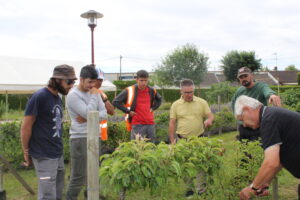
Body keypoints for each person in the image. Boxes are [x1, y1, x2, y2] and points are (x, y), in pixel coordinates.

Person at [20, 64, 77, 200]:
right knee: (47, 196)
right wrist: (25, 151)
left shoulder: (57, 97)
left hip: (57, 153)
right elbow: (26, 127)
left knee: (57, 194)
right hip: (43, 154)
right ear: (57, 80)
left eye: (73, 82)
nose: (71, 85)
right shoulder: (39, 97)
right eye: (69, 81)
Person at [235, 95, 300, 200]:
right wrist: (264, 183)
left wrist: (253, 188)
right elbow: (279, 161)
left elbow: (271, 162)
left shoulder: (268, 120)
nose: (245, 125)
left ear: (246, 109)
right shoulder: (271, 115)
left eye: (242, 119)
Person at [66, 65, 107, 200]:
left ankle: (91, 197)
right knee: (78, 176)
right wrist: (91, 113)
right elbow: (91, 113)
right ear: (81, 79)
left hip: (95, 136)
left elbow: (104, 114)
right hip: (80, 138)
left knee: (94, 173)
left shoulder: (94, 92)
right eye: (89, 82)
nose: (92, 85)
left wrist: (89, 117)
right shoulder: (73, 95)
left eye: (94, 82)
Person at [169, 79, 214, 198]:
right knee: (185, 165)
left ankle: (201, 189)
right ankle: (189, 189)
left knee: (200, 165)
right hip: (182, 140)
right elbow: (172, 123)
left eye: (191, 92)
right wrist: (172, 140)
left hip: (199, 139)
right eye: (186, 92)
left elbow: (210, 115)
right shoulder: (175, 105)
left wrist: (209, 120)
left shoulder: (202, 102)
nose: (189, 95)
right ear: (181, 91)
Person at [231, 66, 281, 141]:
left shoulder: (260, 86)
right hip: (244, 128)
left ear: (251, 75)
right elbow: (234, 105)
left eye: (245, 76)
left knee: (260, 149)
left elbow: (267, 91)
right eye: (241, 77)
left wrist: (272, 95)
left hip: (259, 127)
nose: (243, 79)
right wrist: (240, 120)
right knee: (245, 150)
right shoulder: (239, 91)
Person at [112, 69, 162, 143]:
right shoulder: (129, 90)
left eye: (146, 80)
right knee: (137, 148)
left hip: (150, 123)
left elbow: (159, 99)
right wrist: (128, 111)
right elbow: (116, 102)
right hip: (137, 124)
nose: (144, 83)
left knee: (151, 149)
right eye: (141, 80)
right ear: (137, 80)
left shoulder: (152, 90)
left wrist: (153, 108)